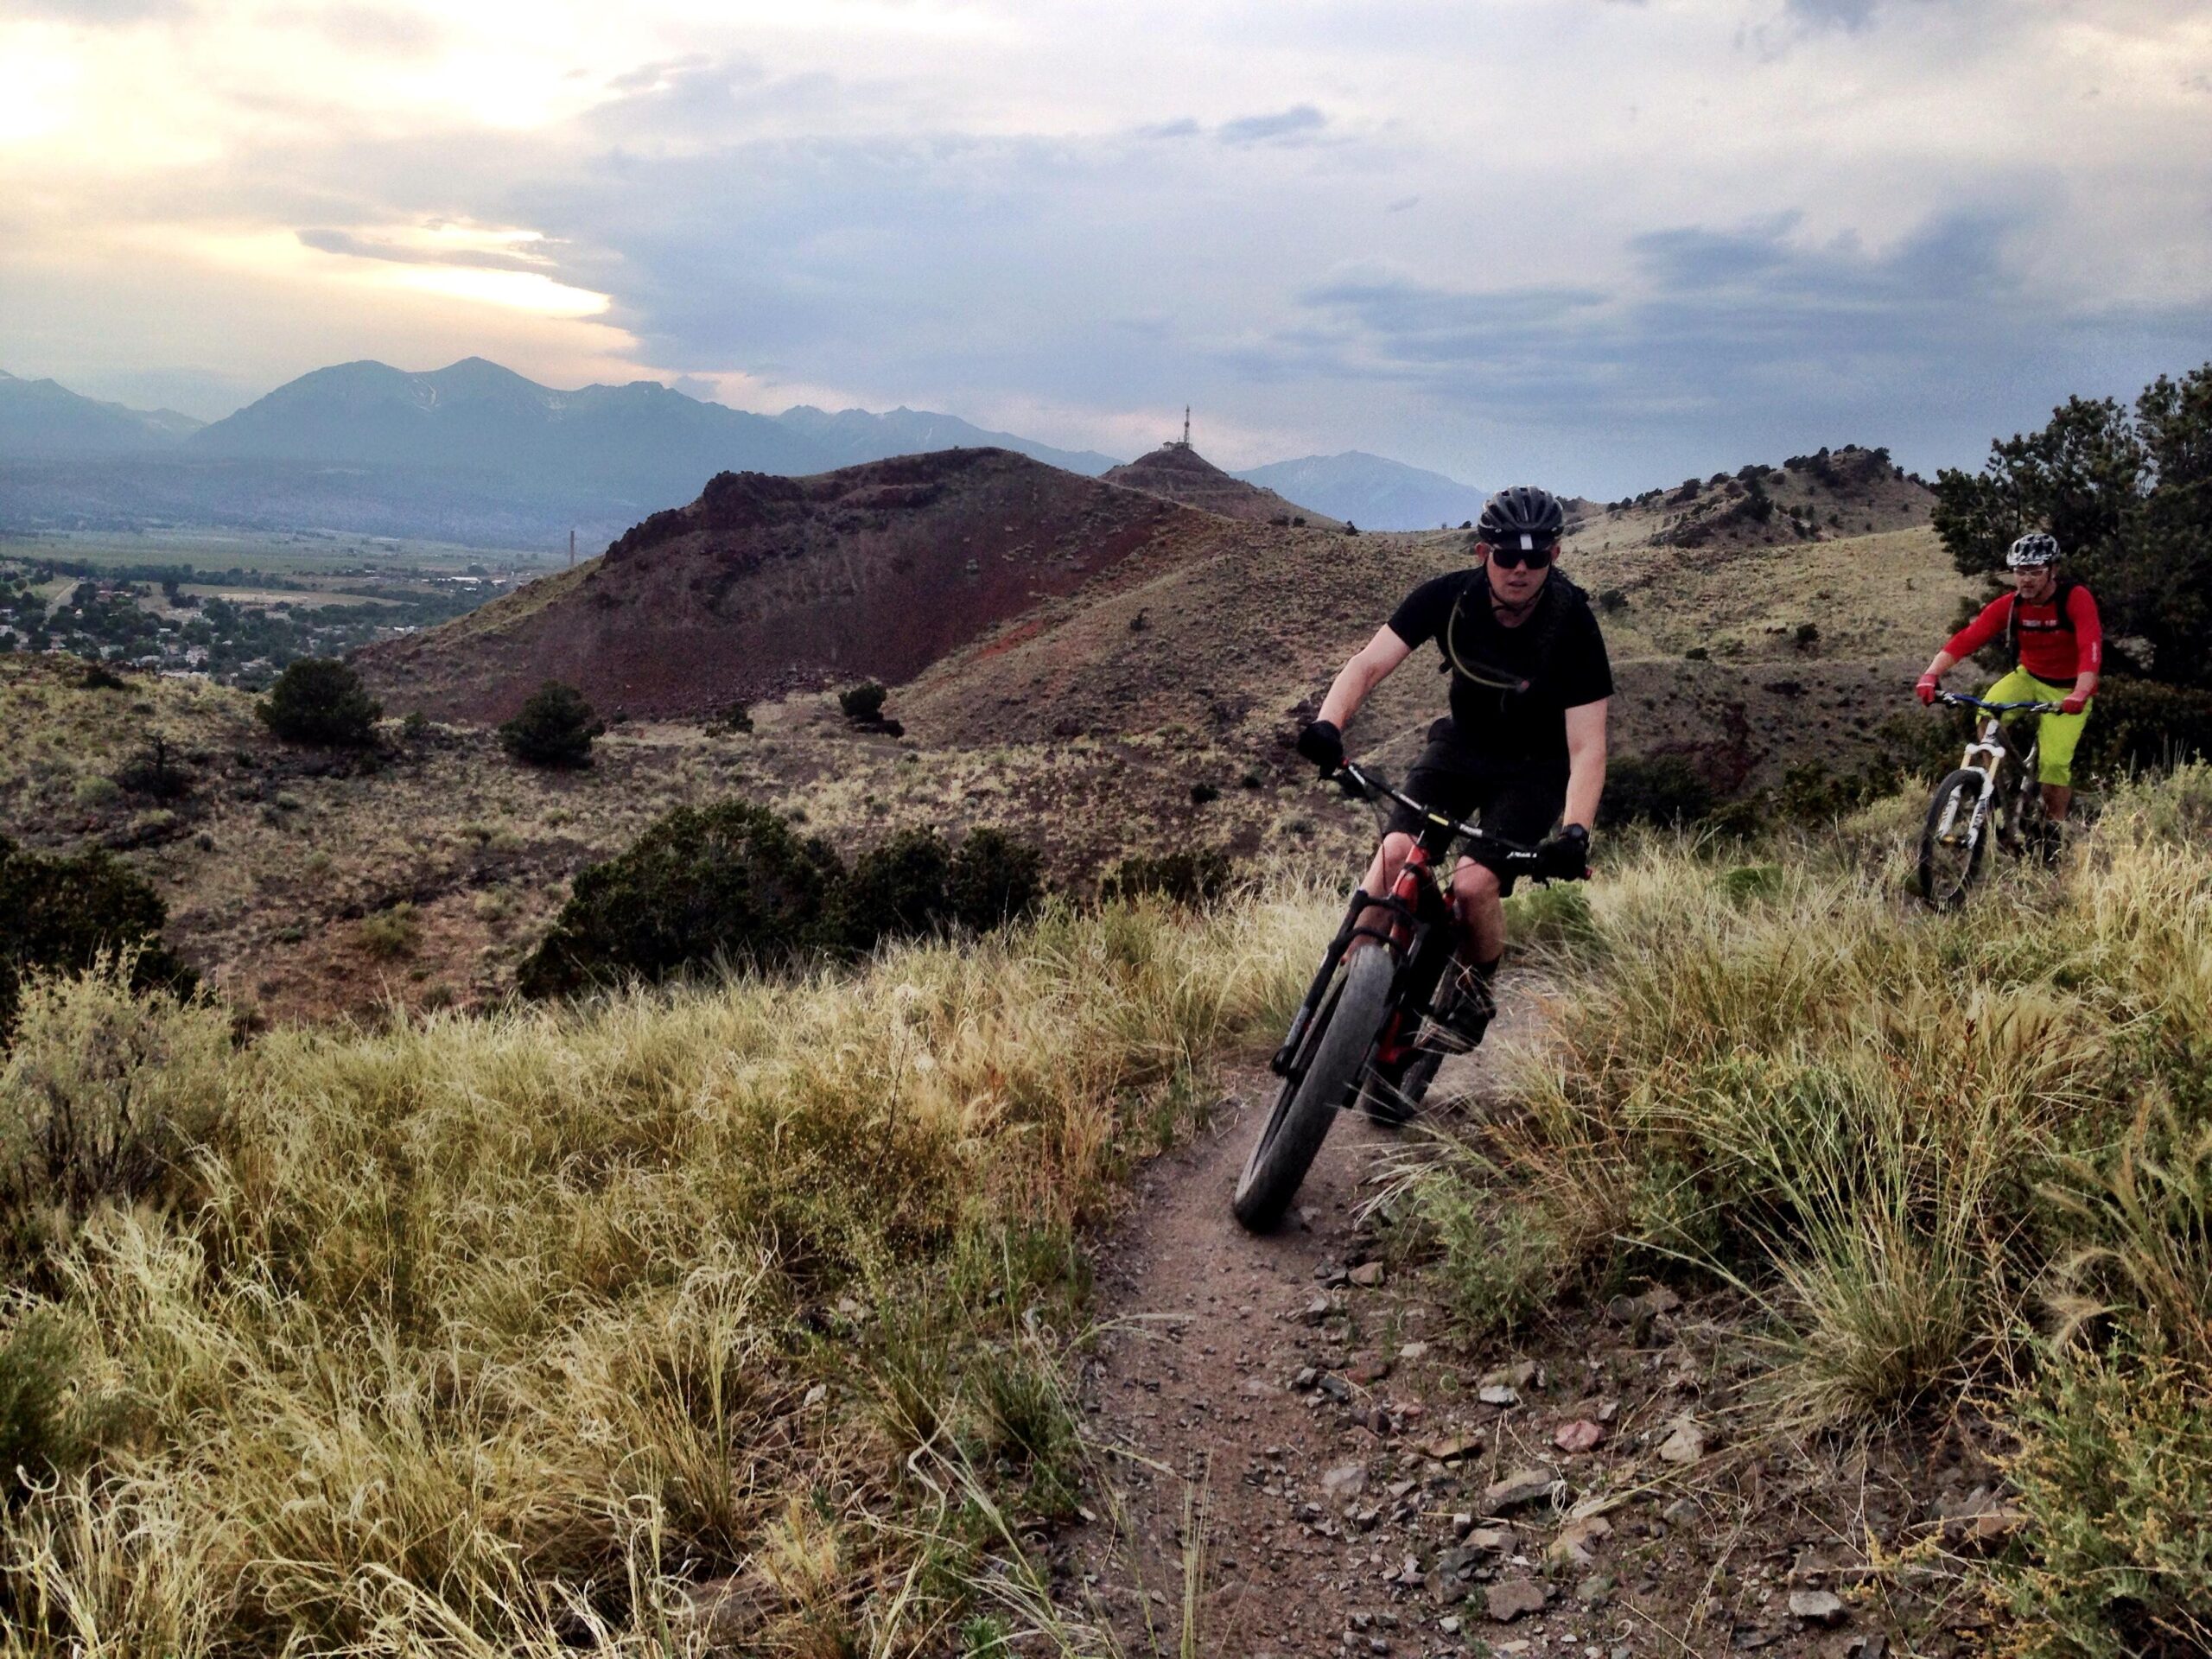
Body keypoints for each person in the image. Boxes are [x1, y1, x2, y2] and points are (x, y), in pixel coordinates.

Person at [1294, 485, 1612, 1042]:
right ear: (1482, 552)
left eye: (1535, 557)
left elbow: (1588, 744)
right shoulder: (1449, 598)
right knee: (1395, 854)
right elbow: (1368, 665)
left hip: (1533, 770)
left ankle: (1474, 986)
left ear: (1554, 556)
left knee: (1472, 884)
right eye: (1506, 554)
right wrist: (1328, 725)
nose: (1520, 568)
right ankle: (1346, 990)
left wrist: (1575, 832)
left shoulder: (1574, 626)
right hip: (1460, 748)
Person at [1916, 531, 2101, 830]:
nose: (2026, 580)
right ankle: (1997, 788)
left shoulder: (2075, 599)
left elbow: (2089, 648)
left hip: (2069, 688)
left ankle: (2056, 830)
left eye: (2035, 572)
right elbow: (1967, 638)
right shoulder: (2011, 605)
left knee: (2054, 765)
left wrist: (2080, 692)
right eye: (2020, 572)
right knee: (1986, 712)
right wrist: (1930, 674)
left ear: (2053, 571)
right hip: (2027, 677)